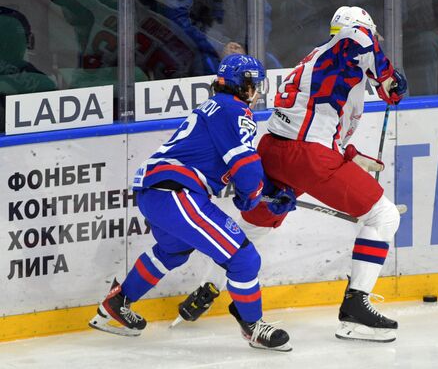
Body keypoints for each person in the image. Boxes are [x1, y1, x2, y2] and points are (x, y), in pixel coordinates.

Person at [177, 6, 408, 343]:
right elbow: (359, 39)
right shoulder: (349, 43)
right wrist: (389, 81)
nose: (375, 40)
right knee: (384, 217)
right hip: (307, 155)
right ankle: (356, 312)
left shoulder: (324, 62)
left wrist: (350, 155)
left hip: (275, 149)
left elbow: (315, 119)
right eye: (373, 33)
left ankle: (207, 287)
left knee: (255, 226)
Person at [89, 53, 296, 352]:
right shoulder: (235, 110)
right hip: (176, 193)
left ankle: (116, 304)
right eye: (255, 84)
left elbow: (234, 165)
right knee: (243, 258)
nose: (257, 91)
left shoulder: (216, 106)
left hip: (155, 191)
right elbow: (246, 167)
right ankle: (254, 326)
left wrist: (268, 189)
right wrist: (252, 197)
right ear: (244, 85)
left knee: (173, 250)